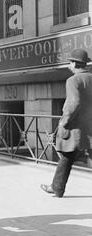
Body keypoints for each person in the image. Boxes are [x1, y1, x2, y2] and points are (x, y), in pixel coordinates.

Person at [41, 49, 92, 198]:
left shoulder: (73, 80)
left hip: (76, 127)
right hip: (90, 126)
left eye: (70, 62)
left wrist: (64, 121)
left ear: (75, 64)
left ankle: (57, 188)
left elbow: (73, 103)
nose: (69, 65)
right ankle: (56, 187)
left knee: (67, 157)